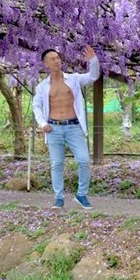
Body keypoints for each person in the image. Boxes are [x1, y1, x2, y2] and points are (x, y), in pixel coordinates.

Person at [32, 46, 100, 209]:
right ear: (45, 63)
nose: (57, 61)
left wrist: (93, 60)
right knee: (56, 164)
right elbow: (36, 106)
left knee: (83, 160)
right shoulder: (42, 87)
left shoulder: (74, 79)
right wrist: (43, 123)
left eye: (58, 58)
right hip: (54, 128)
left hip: (73, 127)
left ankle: (81, 194)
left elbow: (93, 76)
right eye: (53, 59)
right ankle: (59, 198)